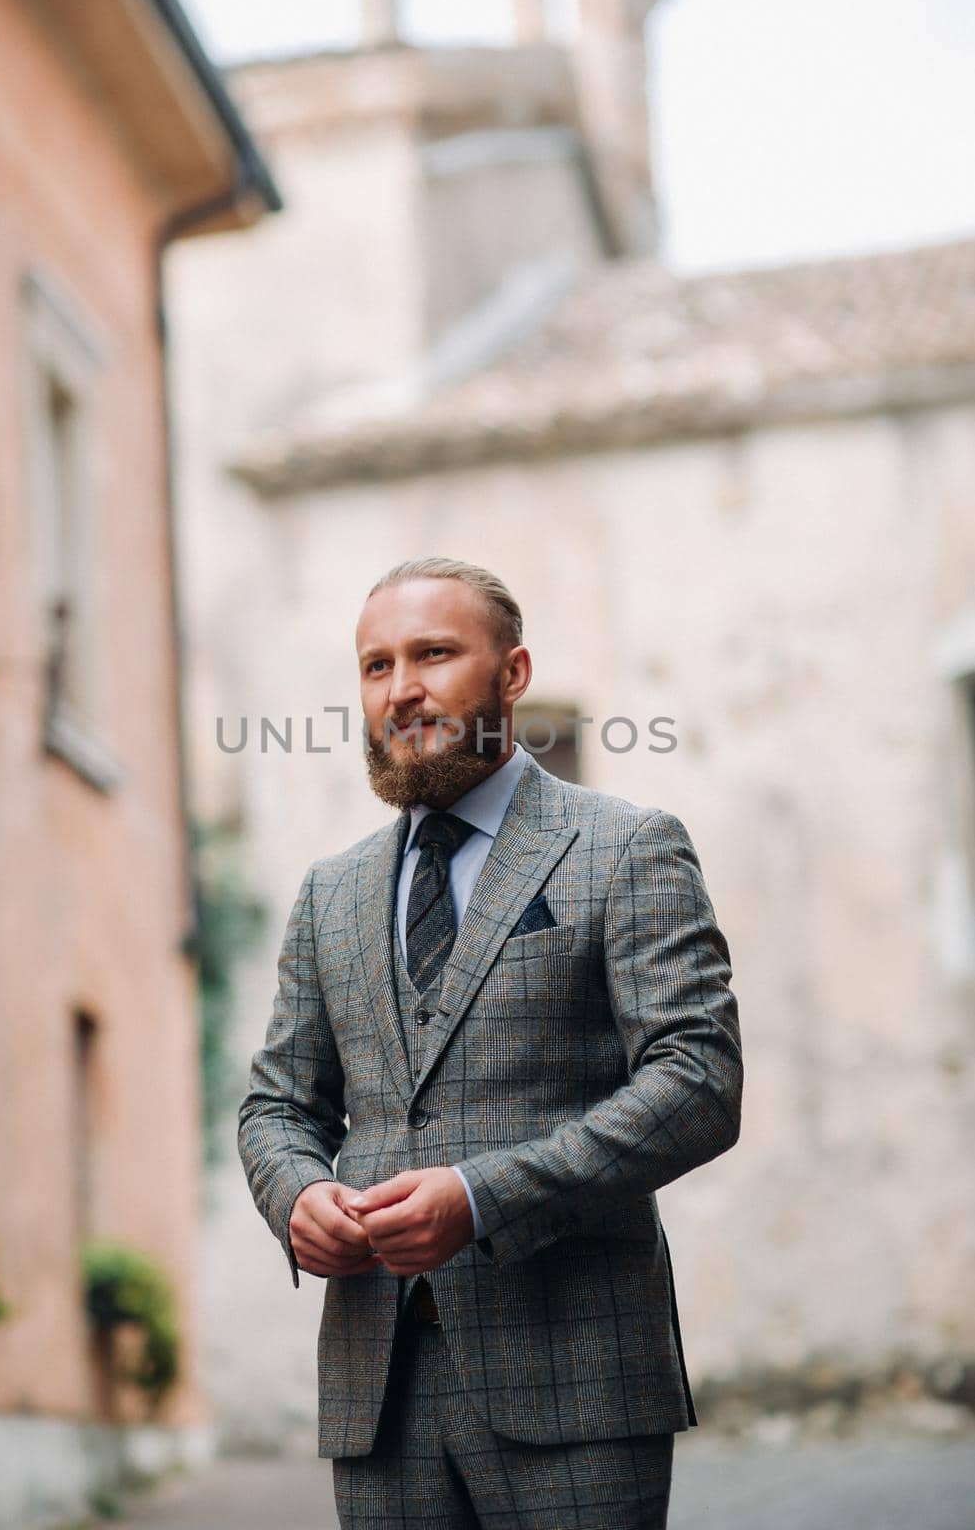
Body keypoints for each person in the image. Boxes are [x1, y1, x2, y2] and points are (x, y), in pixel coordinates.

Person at [237, 557, 743, 1530]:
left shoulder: (626, 846)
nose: (403, 688)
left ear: (512, 674)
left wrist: (481, 1197)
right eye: (376, 665)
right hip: (376, 1392)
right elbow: (278, 1105)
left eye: (434, 653)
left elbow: (698, 1080)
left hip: (576, 1376)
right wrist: (296, 1191)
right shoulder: (329, 892)